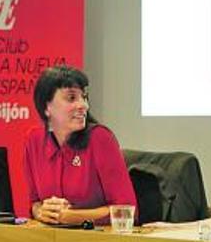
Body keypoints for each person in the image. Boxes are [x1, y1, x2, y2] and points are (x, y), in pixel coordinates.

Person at [23, 65, 136, 225]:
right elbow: (34, 203)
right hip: (52, 240)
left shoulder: (100, 138)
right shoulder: (33, 140)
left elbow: (127, 210)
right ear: (47, 107)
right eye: (71, 98)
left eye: (84, 97)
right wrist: (41, 211)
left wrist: (69, 217)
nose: (84, 105)